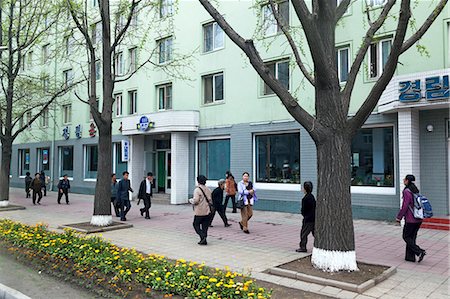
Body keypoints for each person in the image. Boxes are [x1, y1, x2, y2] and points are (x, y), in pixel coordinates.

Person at [396, 174, 426, 263]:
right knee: (412, 238)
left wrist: (399, 217)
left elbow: (405, 206)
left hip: (411, 219)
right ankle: (409, 257)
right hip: (418, 218)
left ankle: (419, 251)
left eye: (404, 179)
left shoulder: (407, 191)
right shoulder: (415, 190)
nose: (403, 180)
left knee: (406, 236)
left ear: (407, 181)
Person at [189, 175, 212, 245]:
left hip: (199, 211)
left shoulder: (197, 190)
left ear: (198, 181)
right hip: (207, 210)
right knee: (205, 226)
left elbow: (196, 200)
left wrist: (190, 200)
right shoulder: (208, 189)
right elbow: (210, 200)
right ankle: (204, 239)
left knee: (195, 224)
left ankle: (202, 236)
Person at [296, 181, 316, 253]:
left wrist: (304, 215)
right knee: (315, 233)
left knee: (304, 233)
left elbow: (303, 210)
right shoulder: (312, 197)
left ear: (305, 189)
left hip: (308, 219)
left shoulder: (305, 199)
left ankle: (303, 247)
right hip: (314, 218)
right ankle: (318, 245)